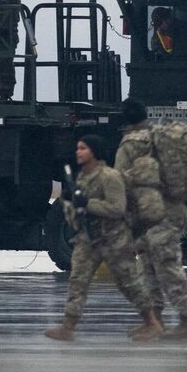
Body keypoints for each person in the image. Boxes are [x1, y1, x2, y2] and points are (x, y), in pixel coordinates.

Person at [43, 133, 161, 342]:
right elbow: (77, 211)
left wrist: (87, 203)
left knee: (129, 282)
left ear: (94, 153)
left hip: (114, 238)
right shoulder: (82, 178)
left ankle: (151, 323)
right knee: (77, 280)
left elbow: (117, 208)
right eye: (78, 148)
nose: (78, 152)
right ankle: (68, 326)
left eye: (83, 148)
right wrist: (70, 204)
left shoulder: (110, 177)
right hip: (89, 237)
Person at [115, 100, 187, 339]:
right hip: (168, 210)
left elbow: (121, 183)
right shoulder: (162, 137)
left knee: (167, 265)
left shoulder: (130, 144)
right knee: (149, 265)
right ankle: (154, 321)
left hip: (155, 212)